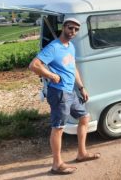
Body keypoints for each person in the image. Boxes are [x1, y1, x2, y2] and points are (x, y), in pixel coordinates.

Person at [29, 17, 100, 175]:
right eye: (70, 28)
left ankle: (81, 153)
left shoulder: (70, 47)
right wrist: (51, 75)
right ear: (63, 27)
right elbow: (34, 65)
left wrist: (81, 88)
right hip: (59, 92)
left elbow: (73, 68)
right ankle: (57, 164)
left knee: (84, 118)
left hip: (71, 92)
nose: (72, 32)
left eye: (76, 29)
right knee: (58, 128)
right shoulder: (54, 47)